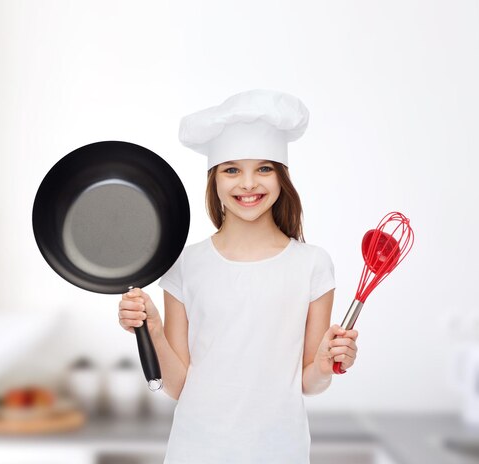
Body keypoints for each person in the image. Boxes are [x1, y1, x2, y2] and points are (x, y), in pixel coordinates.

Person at [118, 89, 359, 464]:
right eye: (232, 169)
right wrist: (151, 328)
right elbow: (179, 386)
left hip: (280, 451)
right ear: (214, 179)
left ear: (282, 178)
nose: (248, 184)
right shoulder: (186, 264)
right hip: (196, 450)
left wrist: (327, 364)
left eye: (264, 168)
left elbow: (310, 382)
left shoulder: (312, 264)